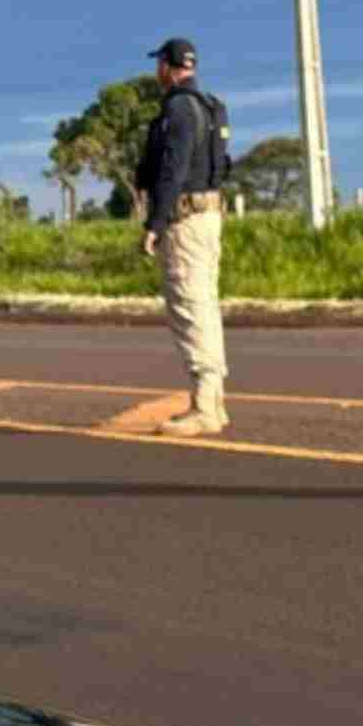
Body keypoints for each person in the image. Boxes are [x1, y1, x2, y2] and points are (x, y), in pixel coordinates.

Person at [135, 36, 233, 438]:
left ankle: (205, 408)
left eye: (158, 62)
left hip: (186, 221)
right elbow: (223, 164)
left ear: (168, 66)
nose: (156, 70)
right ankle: (214, 402)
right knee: (205, 306)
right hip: (209, 215)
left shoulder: (178, 108)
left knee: (190, 309)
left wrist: (154, 224)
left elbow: (172, 169)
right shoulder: (212, 107)